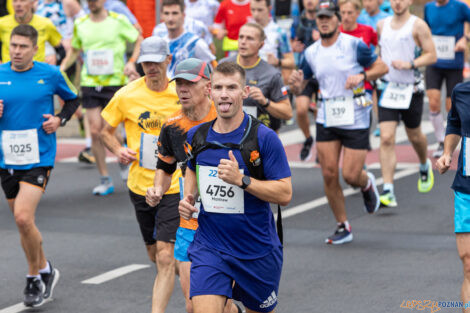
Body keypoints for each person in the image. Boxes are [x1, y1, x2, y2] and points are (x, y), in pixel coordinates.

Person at [179, 61, 292, 313]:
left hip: (256, 250)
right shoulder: (197, 136)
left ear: (244, 92)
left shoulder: (263, 138)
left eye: (231, 87)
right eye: (218, 87)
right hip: (211, 245)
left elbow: (285, 193)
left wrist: (242, 181)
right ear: (210, 91)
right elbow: (192, 167)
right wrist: (189, 197)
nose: (224, 93)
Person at [145, 58, 241, 313]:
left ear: (207, 87)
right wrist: (157, 189)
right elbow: (164, 169)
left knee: (221, 302)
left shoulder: (225, 117)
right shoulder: (172, 126)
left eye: (190, 83)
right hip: (191, 223)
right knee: (192, 305)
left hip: (226, 223)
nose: (183, 89)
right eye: (179, 84)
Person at [289, 0, 388, 244]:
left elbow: (382, 67)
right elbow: (305, 81)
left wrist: (362, 75)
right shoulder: (311, 52)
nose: (323, 21)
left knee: (352, 175)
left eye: (328, 16)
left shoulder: (354, 45)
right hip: (327, 117)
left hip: (355, 116)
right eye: (320, 17)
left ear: (337, 20)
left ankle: (366, 184)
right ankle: (343, 225)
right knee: (330, 174)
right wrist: (296, 81)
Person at [100, 37, 181, 313]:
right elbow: (104, 131)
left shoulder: (180, 93)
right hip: (140, 185)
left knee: (165, 254)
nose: (151, 67)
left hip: (174, 185)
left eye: (156, 62)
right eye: (146, 62)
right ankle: (204, 282)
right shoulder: (126, 94)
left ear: (168, 60)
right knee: (155, 255)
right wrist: (118, 149)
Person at [0, 24, 79, 307]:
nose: (17, 51)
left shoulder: (50, 74)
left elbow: (73, 99)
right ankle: (46, 268)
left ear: (36, 49)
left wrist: (60, 120)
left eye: (23, 46)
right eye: (13, 45)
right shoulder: (0, 73)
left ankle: (33, 277)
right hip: (6, 158)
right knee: (25, 225)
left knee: (22, 217)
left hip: (39, 158)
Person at [60, 0, 141, 196]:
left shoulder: (118, 20)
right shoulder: (81, 24)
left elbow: (139, 38)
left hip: (114, 81)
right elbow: (75, 50)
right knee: (95, 131)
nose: (92, 3)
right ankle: (104, 178)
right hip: (90, 83)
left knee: (113, 131)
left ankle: (121, 159)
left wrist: (131, 62)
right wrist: (61, 68)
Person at [376, 0, 437, 208]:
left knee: (415, 135)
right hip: (388, 88)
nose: (398, 2)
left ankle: (423, 163)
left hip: (411, 89)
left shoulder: (417, 25)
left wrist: (410, 64)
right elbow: (379, 53)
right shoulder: (381, 25)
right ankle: (388, 190)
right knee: (386, 137)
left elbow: (432, 55)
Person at [220, 23, 292, 133]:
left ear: (261, 45)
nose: (243, 42)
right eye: (241, 37)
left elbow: (288, 113)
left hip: (261, 139)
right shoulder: (223, 66)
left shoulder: (271, 74)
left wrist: (265, 102)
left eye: (250, 38)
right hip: (227, 135)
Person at [436, 81, 470, 313]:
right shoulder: (462, 91)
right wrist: (447, 153)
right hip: (466, 187)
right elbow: (455, 124)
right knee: (468, 263)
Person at [424, 0, 470, 158]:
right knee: (433, 102)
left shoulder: (460, 7)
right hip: (434, 62)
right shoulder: (428, 7)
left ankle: (453, 139)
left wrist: (465, 39)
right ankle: (441, 141)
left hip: (454, 63)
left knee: (451, 106)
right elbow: (426, 30)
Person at [154, 0, 216, 78]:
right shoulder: (158, 33)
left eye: (175, 13)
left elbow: (211, 65)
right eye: (166, 13)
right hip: (163, 88)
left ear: (183, 15)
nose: (170, 18)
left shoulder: (194, 42)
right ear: (161, 15)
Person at [291, 0, 320, 162]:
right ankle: (308, 138)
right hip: (306, 72)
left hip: (323, 73)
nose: (310, 1)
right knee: (301, 109)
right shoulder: (298, 21)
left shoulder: (326, 19)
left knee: (321, 113)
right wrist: (294, 46)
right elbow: (290, 42)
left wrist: (320, 38)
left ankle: (323, 145)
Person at [249, 0, 295, 83]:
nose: (256, 14)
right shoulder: (246, 30)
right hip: (249, 81)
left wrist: (278, 62)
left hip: (270, 82)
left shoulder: (279, 32)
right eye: (253, 10)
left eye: (260, 10)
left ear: (269, 8)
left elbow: (291, 62)